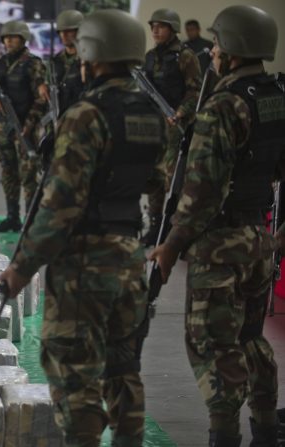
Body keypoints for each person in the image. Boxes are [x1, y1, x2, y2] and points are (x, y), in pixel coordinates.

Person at [0, 9, 165, 447]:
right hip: (129, 254)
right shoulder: (148, 112)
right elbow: (156, 180)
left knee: (74, 375)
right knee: (123, 367)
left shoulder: (85, 114)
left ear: (90, 51)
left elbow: (58, 208)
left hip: (83, 263)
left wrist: (21, 268)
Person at [148, 6, 283, 446]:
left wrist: (170, 245)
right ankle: (265, 428)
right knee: (250, 337)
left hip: (220, 245)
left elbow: (200, 191)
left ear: (231, 49)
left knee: (211, 345)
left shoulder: (223, 106)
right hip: (259, 239)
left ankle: (223, 436)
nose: (213, 53)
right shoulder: (276, 97)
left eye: (218, 45)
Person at [142, 8, 202, 245]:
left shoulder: (185, 56)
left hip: (176, 127)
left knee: (173, 180)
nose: (155, 30)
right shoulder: (149, 56)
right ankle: (155, 227)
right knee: (153, 178)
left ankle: (175, 231)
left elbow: (195, 91)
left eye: (161, 26)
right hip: (153, 127)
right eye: (153, 26)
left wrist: (179, 114)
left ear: (173, 29)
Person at [0, 20, 47, 232]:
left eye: (13, 37)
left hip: (26, 128)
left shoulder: (33, 64)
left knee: (29, 176)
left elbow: (42, 99)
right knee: (8, 172)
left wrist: (29, 124)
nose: (8, 40)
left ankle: (30, 220)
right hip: (5, 128)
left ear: (23, 39)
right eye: (6, 37)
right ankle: (12, 217)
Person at [51, 9, 86, 115]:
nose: (64, 35)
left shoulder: (89, 60)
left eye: (69, 30)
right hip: (60, 118)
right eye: (61, 31)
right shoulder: (54, 62)